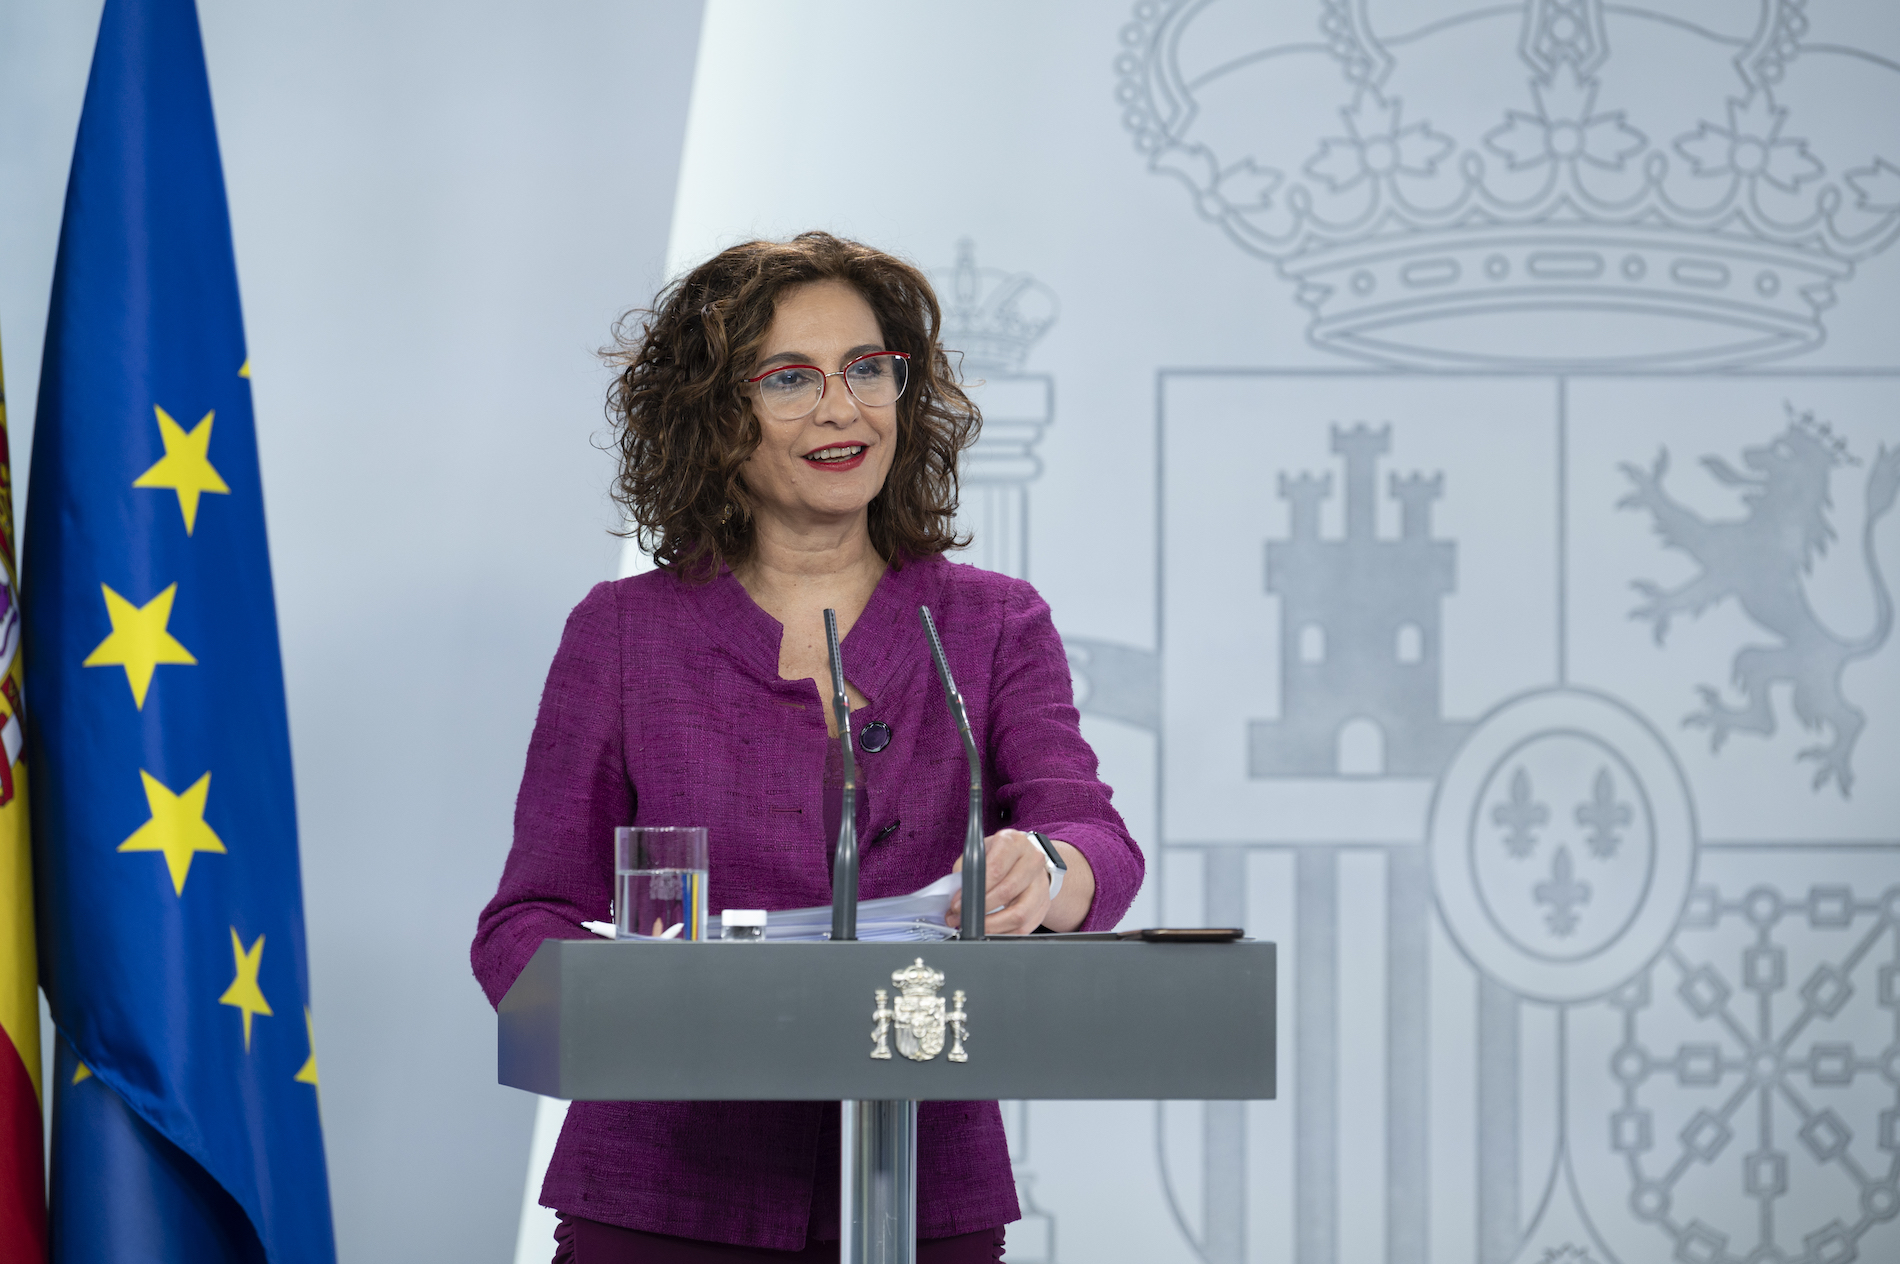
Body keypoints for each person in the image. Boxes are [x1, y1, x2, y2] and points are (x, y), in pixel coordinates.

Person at [471, 232, 1144, 1263]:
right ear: (711, 414)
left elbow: (1089, 834)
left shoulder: (993, 624)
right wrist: (625, 1013)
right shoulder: (622, 632)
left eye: (868, 368)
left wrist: (1043, 870)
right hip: (663, 1197)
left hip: (926, 1195)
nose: (844, 408)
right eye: (790, 378)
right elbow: (526, 917)